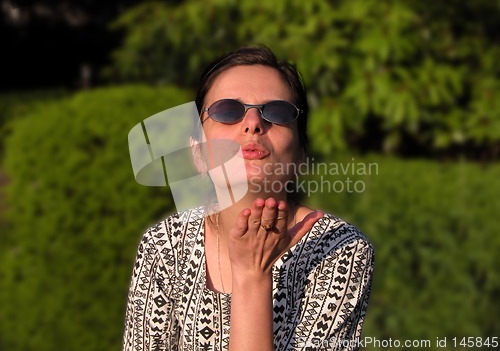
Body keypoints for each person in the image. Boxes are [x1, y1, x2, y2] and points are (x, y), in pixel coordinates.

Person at [122, 46, 374, 351]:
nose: (253, 123)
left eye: (277, 112)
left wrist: (253, 276)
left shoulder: (337, 247)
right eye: (228, 110)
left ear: (300, 154)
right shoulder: (165, 245)